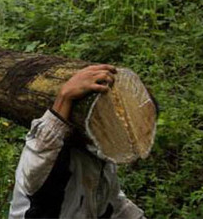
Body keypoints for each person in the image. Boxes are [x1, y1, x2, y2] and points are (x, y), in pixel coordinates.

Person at [8, 65, 146, 218]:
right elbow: (40, 153)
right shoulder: (48, 160)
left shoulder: (99, 154)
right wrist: (65, 96)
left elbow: (112, 203)